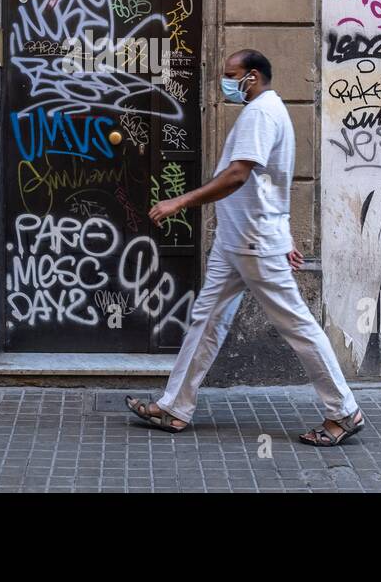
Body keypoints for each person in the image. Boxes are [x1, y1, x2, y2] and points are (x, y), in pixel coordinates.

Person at [126, 49, 366, 447]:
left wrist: (180, 202)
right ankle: (174, 408)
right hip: (235, 241)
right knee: (206, 320)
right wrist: (286, 234)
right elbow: (274, 183)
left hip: (253, 243)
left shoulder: (259, 114)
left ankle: (343, 411)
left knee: (297, 326)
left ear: (252, 76)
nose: (224, 83)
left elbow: (239, 175)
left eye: (230, 75)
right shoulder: (269, 112)